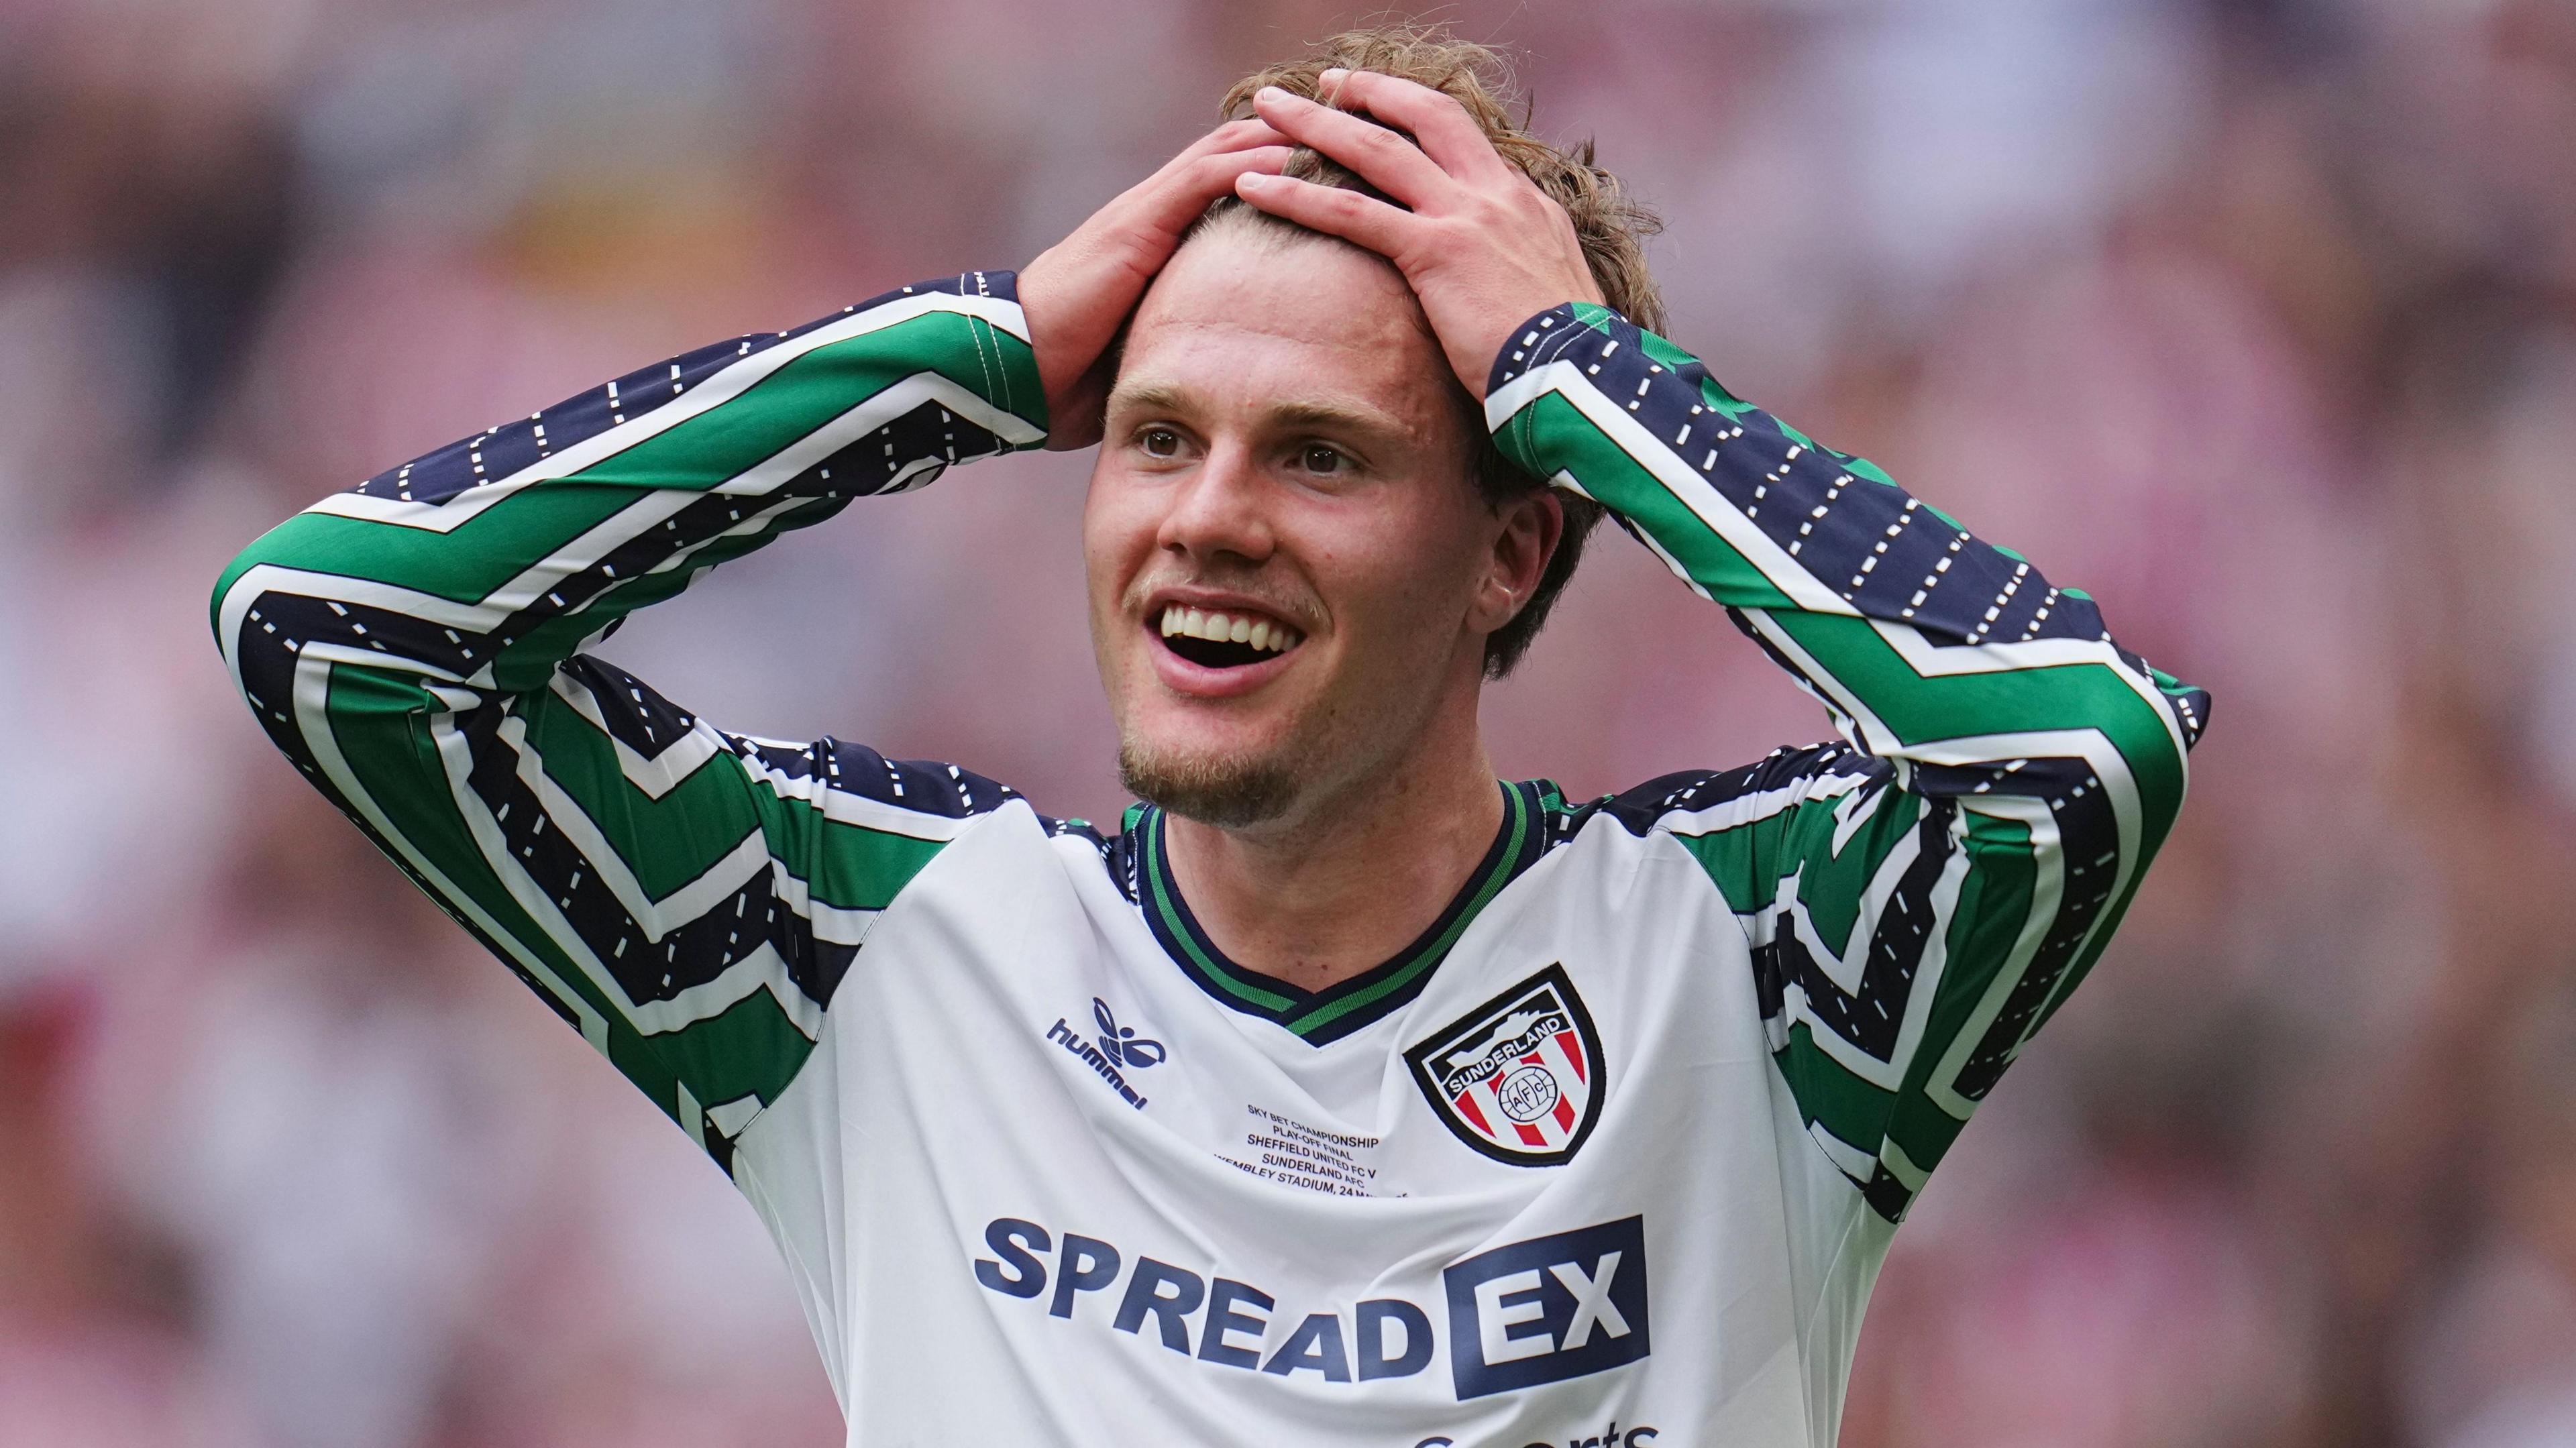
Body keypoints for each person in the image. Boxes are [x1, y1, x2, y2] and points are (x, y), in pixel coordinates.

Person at [209, 26, 2205, 1448]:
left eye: (1320, 455)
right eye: (1157, 434)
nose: (1205, 515)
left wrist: (1575, 372)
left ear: (1514, 549)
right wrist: (974, 352)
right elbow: (332, 626)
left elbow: (2084, 748)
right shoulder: (875, 956)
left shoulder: (1748, 968)